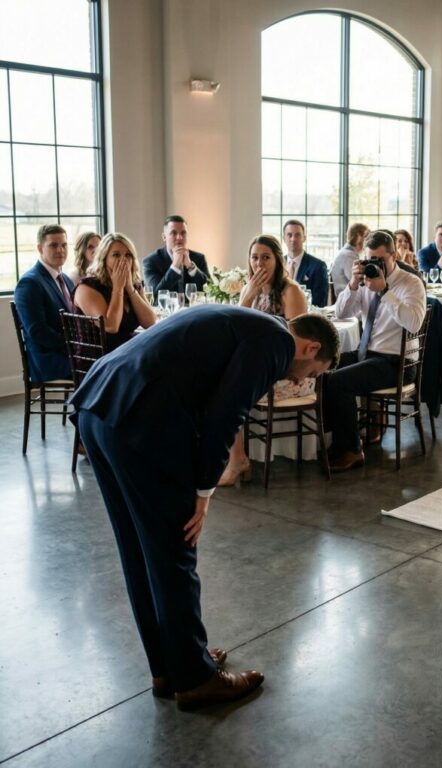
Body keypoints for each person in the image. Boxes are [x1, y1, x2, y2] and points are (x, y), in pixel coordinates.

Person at [70, 307, 339, 710]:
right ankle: (195, 680)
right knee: (175, 548)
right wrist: (204, 490)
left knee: (139, 548)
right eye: (315, 371)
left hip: (101, 404)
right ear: (312, 347)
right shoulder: (277, 344)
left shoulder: (249, 323)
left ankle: (170, 665)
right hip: (140, 416)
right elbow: (226, 415)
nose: (304, 380)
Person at [326, 230, 426, 471]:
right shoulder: (364, 280)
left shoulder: (411, 283)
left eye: (379, 260)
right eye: (370, 259)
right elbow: (341, 313)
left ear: (393, 256)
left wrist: (384, 292)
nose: (374, 265)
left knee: (338, 381)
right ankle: (337, 439)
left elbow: (414, 323)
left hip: (398, 363)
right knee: (323, 366)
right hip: (367, 355)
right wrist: (353, 284)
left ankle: (352, 450)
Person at [218, 234, 310, 486]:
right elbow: (234, 331)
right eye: (255, 257)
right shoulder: (252, 291)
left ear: (278, 261)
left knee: (233, 387)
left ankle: (238, 461)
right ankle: (224, 456)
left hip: (287, 367)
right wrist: (246, 298)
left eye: (266, 258)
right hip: (257, 363)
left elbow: (296, 345)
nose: (259, 264)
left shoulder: (291, 292)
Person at [73, 233, 157, 352]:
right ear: (104, 258)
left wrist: (129, 287)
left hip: (127, 351)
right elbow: (111, 326)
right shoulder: (86, 288)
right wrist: (118, 288)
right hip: (100, 358)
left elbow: (150, 323)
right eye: (116, 255)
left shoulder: (134, 285)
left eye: (128, 255)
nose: (123, 260)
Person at [14, 224, 76, 382]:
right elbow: (38, 331)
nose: (60, 250)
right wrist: (73, 347)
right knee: (104, 366)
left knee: (112, 359)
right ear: (40, 248)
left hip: (70, 352)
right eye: (53, 245)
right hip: (49, 360)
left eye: (63, 245)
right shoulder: (29, 282)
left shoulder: (66, 280)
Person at [143, 215, 210, 300]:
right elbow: (155, 297)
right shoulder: (150, 261)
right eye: (173, 233)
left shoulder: (199, 258)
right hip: (166, 312)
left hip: (194, 311)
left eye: (183, 233)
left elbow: (210, 291)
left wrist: (190, 267)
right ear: (164, 237)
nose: (179, 237)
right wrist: (174, 267)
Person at [283, 219, 329, 308]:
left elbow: (319, 303)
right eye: (289, 235)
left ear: (304, 238)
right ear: (284, 238)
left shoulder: (318, 266)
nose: (293, 239)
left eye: (297, 235)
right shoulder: (277, 264)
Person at [331, 223, 369, 301]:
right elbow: (359, 282)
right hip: (348, 300)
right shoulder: (349, 256)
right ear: (359, 237)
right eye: (366, 236)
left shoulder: (345, 252)